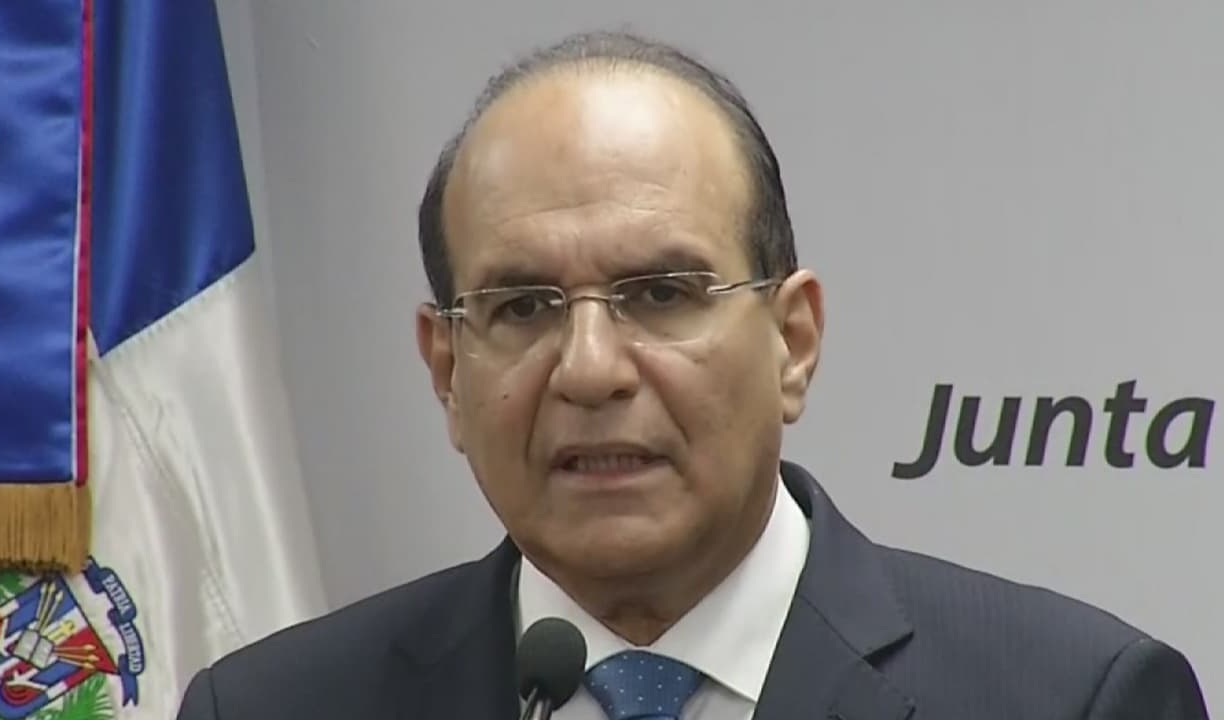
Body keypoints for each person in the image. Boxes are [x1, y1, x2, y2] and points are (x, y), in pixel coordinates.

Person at [176, 31, 1209, 719]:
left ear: (792, 341)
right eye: (523, 307)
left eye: (660, 293)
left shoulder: (1070, 698)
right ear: (446, 368)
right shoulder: (269, 708)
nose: (589, 371)